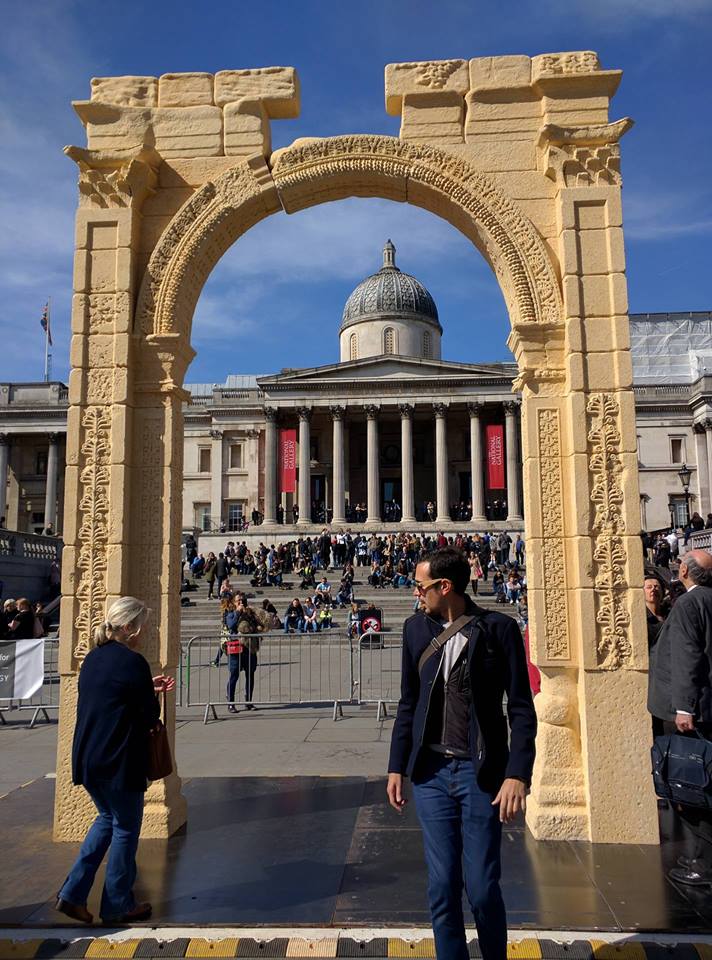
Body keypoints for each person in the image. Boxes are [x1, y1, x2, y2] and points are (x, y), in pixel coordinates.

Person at [387, 547, 536, 960]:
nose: (415, 592)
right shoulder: (415, 630)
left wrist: (517, 773)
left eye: (421, 586)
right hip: (431, 771)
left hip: (481, 773)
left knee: (483, 888)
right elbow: (408, 702)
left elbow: (522, 709)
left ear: (444, 586)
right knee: (442, 885)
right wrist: (396, 765)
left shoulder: (498, 629)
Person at [55, 596, 174, 925]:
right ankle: (118, 904)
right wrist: (151, 695)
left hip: (89, 757)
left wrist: (143, 688)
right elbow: (148, 715)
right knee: (125, 829)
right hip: (119, 759)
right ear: (129, 627)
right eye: (142, 625)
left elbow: (110, 697)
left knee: (107, 819)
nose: (145, 631)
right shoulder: (133, 662)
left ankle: (72, 894)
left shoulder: (93, 658)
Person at [648, 549, 712, 887]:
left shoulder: (689, 604)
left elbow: (688, 655)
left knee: (689, 783)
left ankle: (702, 863)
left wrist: (684, 707)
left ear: (684, 569)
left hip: (687, 709)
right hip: (706, 703)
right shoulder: (706, 600)